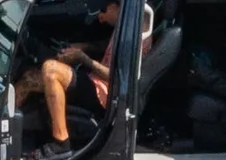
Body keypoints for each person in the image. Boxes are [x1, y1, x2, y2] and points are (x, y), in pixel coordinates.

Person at [14, 0, 135, 150]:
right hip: (95, 81)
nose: (99, 18)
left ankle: (61, 142)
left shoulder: (137, 39)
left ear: (112, 7)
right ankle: (5, 123)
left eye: (102, 12)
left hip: (104, 95)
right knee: (30, 78)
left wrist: (83, 59)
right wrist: (84, 46)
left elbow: (122, 78)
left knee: (51, 70)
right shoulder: (127, 28)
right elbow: (106, 46)